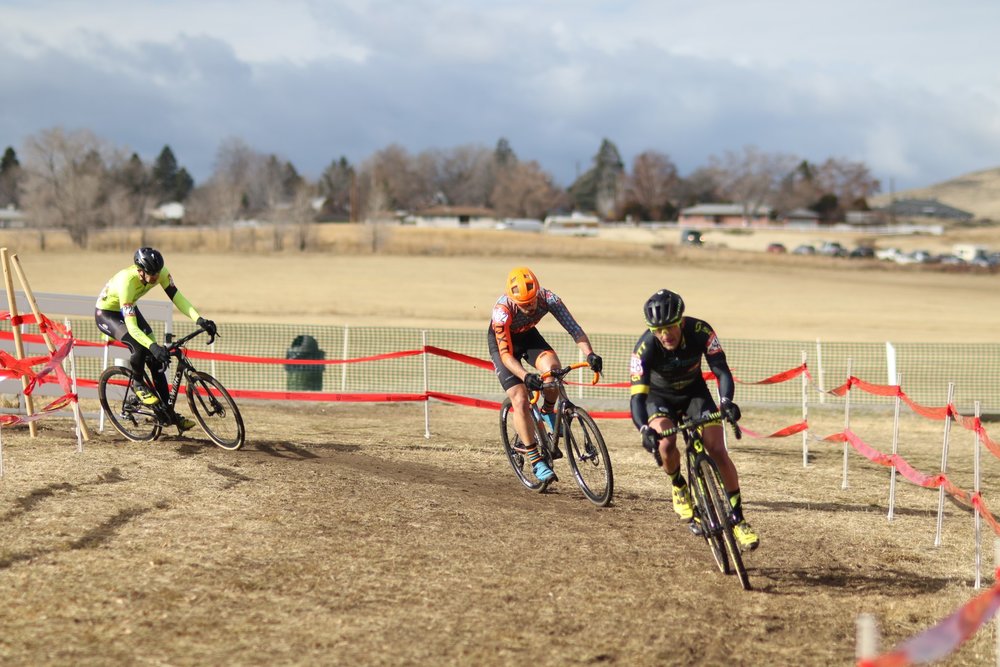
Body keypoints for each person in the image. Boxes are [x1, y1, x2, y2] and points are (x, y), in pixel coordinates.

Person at [629, 288, 759, 551]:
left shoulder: (701, 331)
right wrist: (644, 428)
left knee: (718, 449)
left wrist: (726, 402)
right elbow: (637, 399)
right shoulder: (643, 348)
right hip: (659, 398)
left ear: (680, 321)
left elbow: (721, 371)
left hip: (694, 394)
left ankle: (738, 519)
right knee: (666, 444)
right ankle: (678, 485)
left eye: (669, 328)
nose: (665, 335)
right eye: (658, 330)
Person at [489, 266, 603, 483]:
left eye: (532, 301)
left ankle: (548, 410)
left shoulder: (549, 299)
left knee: (552, 373)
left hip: (528, 337)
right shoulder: (502, 312)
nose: (530, 307)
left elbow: (574, 329)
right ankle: (535, 460)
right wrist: (524, 375)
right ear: (513, 301)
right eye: (523, 305)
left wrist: (590, 354)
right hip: (504, 348)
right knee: (521, 398)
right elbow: (505, 356)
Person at [95, 247, 217, 432]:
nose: (155, 278)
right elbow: (133, 328)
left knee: (156, 363)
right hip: (107, 314)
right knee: (139, 346)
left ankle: (168, 413)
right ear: (140, 271)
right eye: (151, 274)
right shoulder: (126, 283)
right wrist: (152, 346)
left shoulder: (160, 273)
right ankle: (138, 386)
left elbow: (177, 297)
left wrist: (199, 319)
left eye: (157, 273)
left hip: (127, 309)